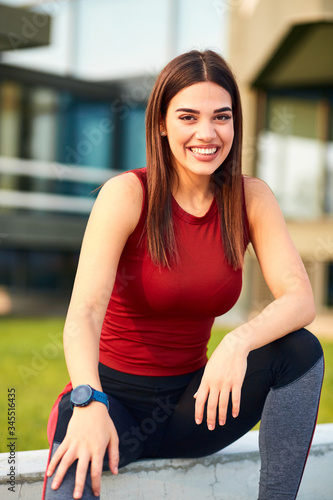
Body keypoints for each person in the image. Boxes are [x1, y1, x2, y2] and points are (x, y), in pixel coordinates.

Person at [43, 50, 324, 500]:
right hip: (109, 405)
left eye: (222, 117)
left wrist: (236, 341)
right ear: (161, 123)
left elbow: (299, 299)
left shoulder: (251, 198)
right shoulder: (126, 194)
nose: (206, 134)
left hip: (194, 409)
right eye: (188, 117)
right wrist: (87, 400)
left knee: (301, 351)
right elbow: (85, 311)